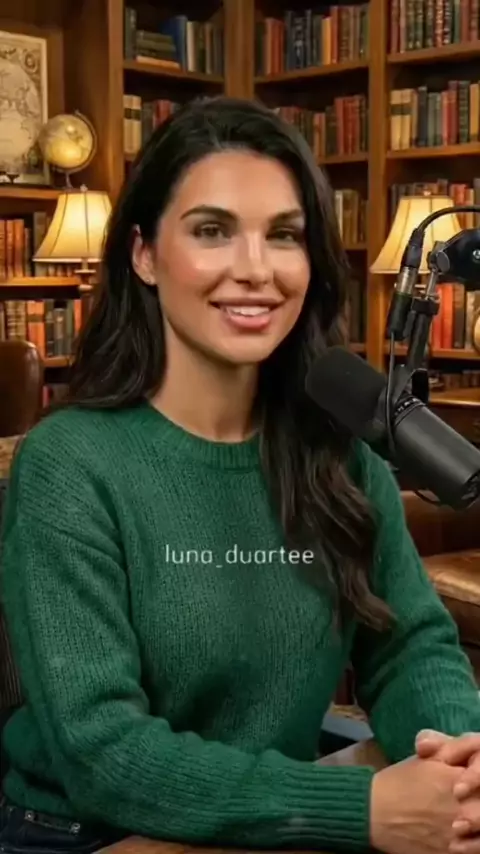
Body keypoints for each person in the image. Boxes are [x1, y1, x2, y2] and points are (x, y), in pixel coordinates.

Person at [1, 96, 480, 854]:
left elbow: (408, 645)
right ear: (144, 254)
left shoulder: (337, 450)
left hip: (274, 816)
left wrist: (459, 758)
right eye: (212, 231)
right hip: (94, 834)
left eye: (284, 235)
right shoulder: (69, 464)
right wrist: (359, 808)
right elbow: (102, 752)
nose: (256, 270)